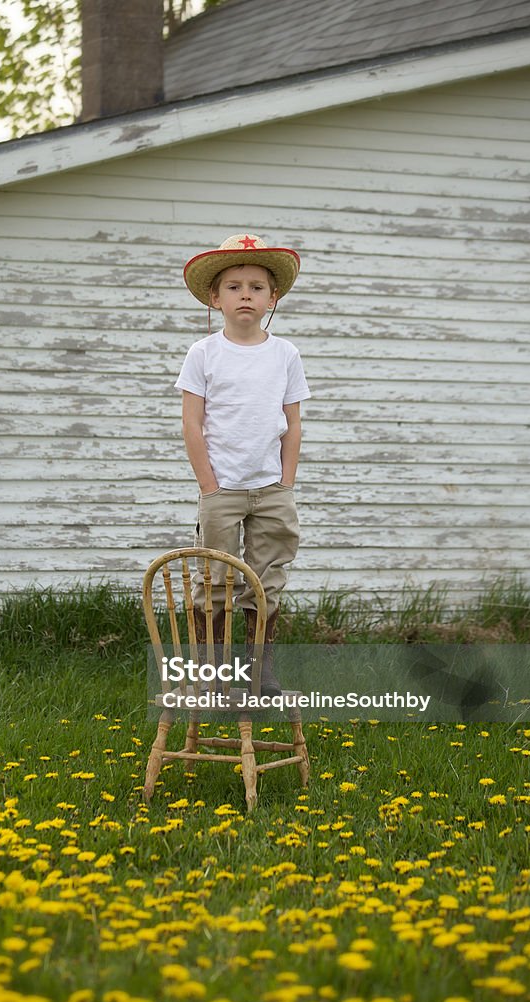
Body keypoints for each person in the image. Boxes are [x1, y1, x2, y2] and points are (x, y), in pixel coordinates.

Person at [175, 233, 311, 696]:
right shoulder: (204, 353)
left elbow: (291, 424)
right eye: (234, 286)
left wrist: (286, 482)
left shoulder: (285, 354)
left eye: (256, 286)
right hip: (223, 489)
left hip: (271, 487)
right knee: (214, 578)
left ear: (273, 297)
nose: (246, 294)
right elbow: (193, 424)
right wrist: (209, 486)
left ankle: (259, 673)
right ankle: (211, 676)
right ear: (215, 298)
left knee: (267, 579)